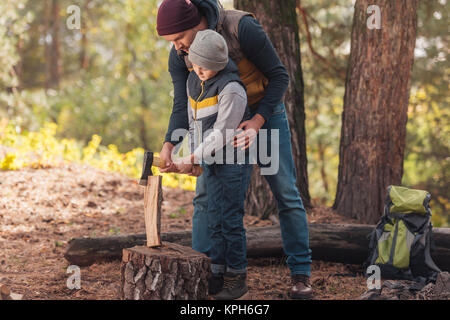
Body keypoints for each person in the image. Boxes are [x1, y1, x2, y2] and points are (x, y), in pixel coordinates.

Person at [156, 0, 313, 299]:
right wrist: (169, 144)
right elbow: (182, 103)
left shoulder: (241, 27)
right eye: (171, 42)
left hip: (262, 115)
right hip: (217, 129)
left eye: (178, 39)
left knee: (285, 191)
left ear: (195, 23)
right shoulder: (181, 55)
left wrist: (256, 121)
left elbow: (280, 76)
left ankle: (300, 274)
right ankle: (204, 270)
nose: (176, 47)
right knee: (204, 197)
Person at [174, 29, 252, 300]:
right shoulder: (193, 82)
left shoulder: (232, 88)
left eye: (208, 67)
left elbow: (222, 132)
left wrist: (195, 157)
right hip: (210, 158)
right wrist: (194, 155)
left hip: (232, 160)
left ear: (220, 64)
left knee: (229, 218)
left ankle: (236, 277)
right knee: (212, 216)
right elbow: (195, 124)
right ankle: (216, 273)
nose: (201, 71)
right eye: (197, 65)